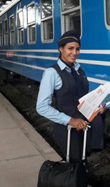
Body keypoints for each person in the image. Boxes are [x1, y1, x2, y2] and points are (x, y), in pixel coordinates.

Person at [36, 30, 104, 161]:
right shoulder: (52, 73)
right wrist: (71, 120)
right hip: (67, 129)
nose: (75, 53)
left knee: (83, 162)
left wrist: (98, 106)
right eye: (70, 48)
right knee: (74, 164)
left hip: (84, 124)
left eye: (77, 49)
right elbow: (41, 107)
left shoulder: (79, 69)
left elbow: (82, 97)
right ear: (61, 49)